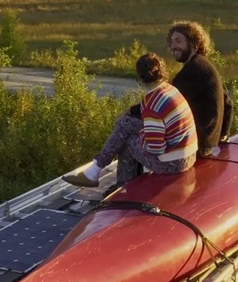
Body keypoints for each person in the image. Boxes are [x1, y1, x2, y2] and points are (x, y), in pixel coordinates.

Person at [63, 52, 198, 188]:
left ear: (139, 78)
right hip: (188, 155)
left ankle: (120, 185)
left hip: (173, 163)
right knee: (125, 124)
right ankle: (95, 170)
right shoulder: (170, 90)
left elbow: (156, 148)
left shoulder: (151, 104)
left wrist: (141, 136)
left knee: (127, 142)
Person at [166, 21, 230, 157]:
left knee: (131, 129)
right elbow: (227, 102)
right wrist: (223, 134)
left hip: (196, 146)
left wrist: (131, 112)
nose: (173, 46)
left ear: (193, 43)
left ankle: (129, 177)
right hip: (207, 143)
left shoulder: (193, 70)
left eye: (178, 41)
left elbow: (164, 103)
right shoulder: (204, 65)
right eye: (171, 42)